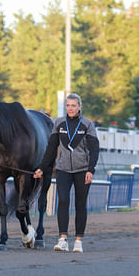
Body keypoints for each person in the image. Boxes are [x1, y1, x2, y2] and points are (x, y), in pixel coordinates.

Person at [33, 93, 99, 253]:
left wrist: (90, 170)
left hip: (82, 170)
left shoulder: (87, 125)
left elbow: (94, 149)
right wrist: (42, 167)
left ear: (79, 107)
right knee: (62, 201)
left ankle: (78, 241)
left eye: (73, 105)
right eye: (68, 105)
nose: (70, 108)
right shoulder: (59, 123)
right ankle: (62, 239)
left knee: (80, 205)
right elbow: (50, 148)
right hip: (63, 170)